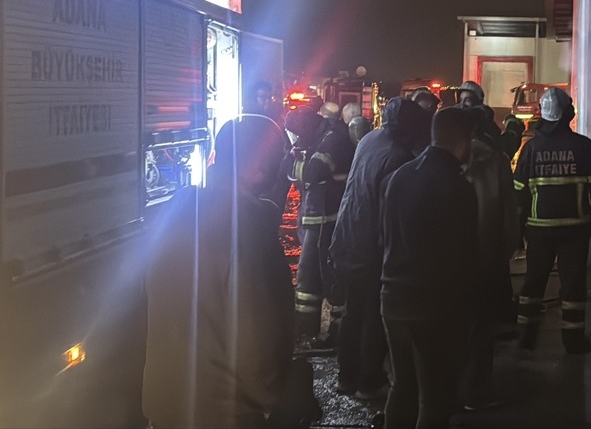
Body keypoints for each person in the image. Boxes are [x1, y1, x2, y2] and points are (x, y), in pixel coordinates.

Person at [143, 115, 297, 428]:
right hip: (224, 413)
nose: (284, 164)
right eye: (280, 155)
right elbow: (258, 341)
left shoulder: (177, 210)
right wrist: (272, 401)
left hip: (166, 403)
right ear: (259, 166)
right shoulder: (249, 230)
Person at [380, 107, 478, 429]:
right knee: (436, 397)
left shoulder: (400, 176)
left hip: (393, 300)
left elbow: (384, 237)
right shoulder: (457, 187)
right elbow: (463, 257)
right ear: (464, 140)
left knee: (403, 387)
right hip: (435, 308)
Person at [329, 98, 428, 400]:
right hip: (371, 247)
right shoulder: (399, 157)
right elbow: (390, 212)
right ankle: (369, 382)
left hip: (347, 237)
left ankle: (347, 377)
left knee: (353, 313)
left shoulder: (369, 140)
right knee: (373, 314)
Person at [513, 88, 591, 355]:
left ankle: (526, 338)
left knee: (533, 283)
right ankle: (573, 341)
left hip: (539, 229)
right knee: (573, 285)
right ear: (568, 114)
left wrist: (519, 225)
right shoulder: (584, 147)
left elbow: (518, 189)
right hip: (576, 229)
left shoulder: (531, 149)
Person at [460, 105, 520, 411]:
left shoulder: (444, 158)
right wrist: (503, 253)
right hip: (486, 259)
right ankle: (476, 392)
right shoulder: (496, 161)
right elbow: (509, 215)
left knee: (451, 326)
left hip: (447, 261)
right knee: (481, 329)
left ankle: (446, 393)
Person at [294, 102, 355, 356]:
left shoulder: (333, 138)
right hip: (318, 217)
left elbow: (311, 172)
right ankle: (309, 333)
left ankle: (336, 334)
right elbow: (295, 173)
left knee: (322, 277)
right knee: (313, 278)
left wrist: (300, 160)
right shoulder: (323, 135)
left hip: (327, 219)